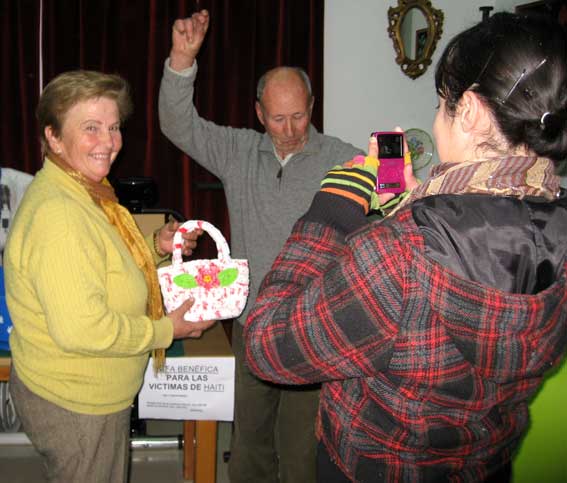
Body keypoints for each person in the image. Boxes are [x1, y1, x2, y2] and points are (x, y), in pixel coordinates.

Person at [245, 12, 567, 482]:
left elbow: (266, 346)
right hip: (484, 466)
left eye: (441, 106)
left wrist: (328, 214)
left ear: (471, 111)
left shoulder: (396, 254)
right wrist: (421, 203)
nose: (436, 123)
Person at [158, 9, 363, 483]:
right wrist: (181, 62)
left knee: (299, 454)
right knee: (248, 445)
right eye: (277, 119)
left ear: (313, 105)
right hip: (252, 324)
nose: (290, 130)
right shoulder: (238, 151)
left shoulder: (342, 158)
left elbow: (386, 211)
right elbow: (176, 123)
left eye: (299, 116)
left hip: (312, 328)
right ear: (258, 113)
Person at [4, 69, 215, 483]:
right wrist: (165, 329)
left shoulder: (84, 189)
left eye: (114, 127)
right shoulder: (60, 214)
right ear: (54, 137)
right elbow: (83, 330)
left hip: (80, 393)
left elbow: (106, 264)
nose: (109, 142)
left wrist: (156, 247)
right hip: (77, 404)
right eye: (91, 128)